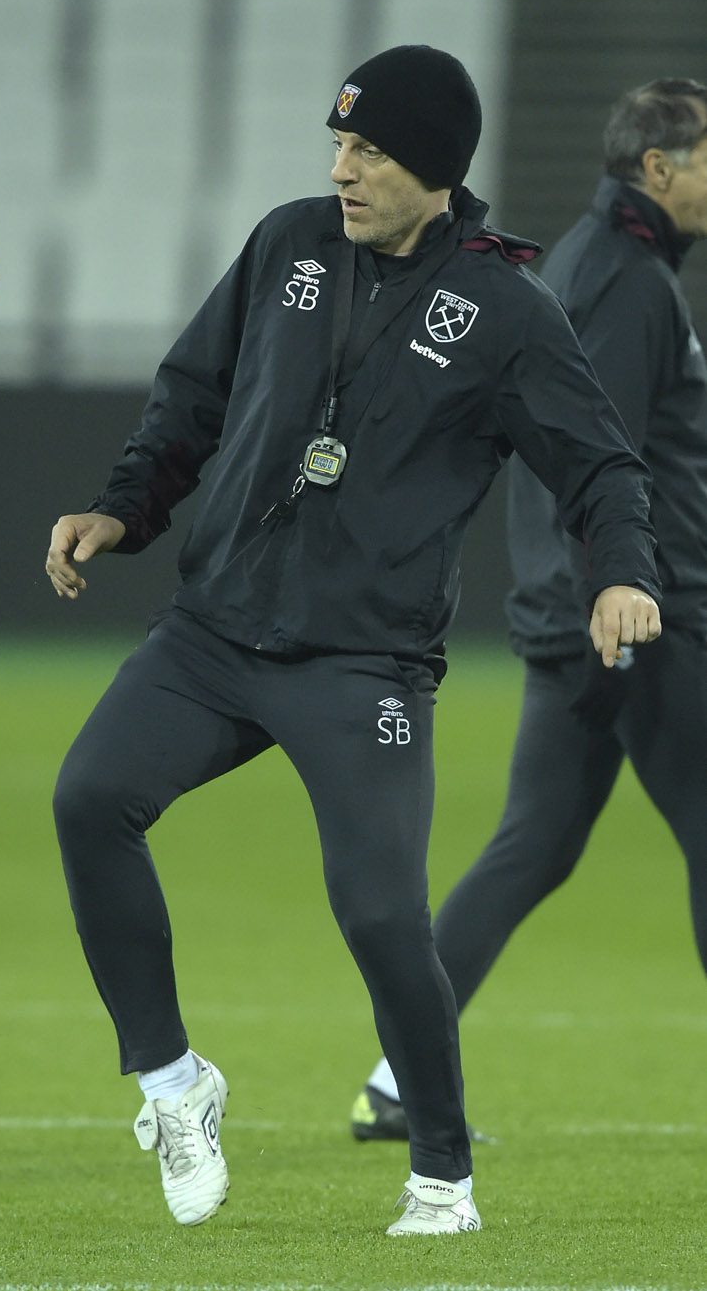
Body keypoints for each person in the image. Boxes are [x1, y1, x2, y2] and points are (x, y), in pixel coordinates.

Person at [47, 45, 662, 1237]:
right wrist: (121, 509)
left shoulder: (504, 310)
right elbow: (191, 397)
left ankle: (442, 1176)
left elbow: (600, 467)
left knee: (383, 917)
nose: (341, 169)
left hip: (362, 663)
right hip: (216, 631)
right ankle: (174, 1085)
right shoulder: (288, 244)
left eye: (367, 151)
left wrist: (624, 574)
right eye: (337, 145)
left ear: (432, 166)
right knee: (89, 798)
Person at [352, 76, 707, 1145]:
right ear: (659, 168)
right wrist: (611, 587)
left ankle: (398, 1078)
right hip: (640, 613)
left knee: (536, 842)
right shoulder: (627, 282)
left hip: (595, 606)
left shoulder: (604, 265)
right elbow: (588, 456)